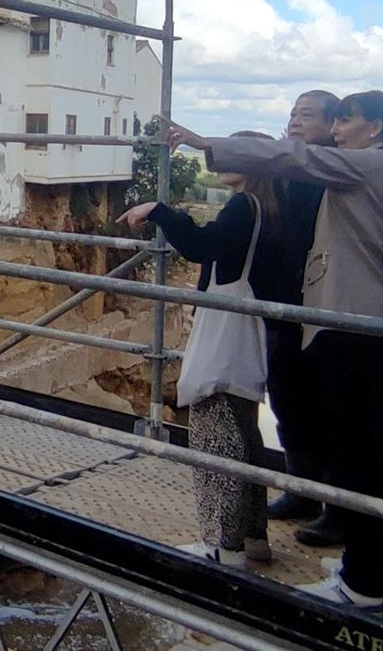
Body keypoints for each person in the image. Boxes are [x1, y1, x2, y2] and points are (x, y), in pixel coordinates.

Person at [165, 91, 383, 612]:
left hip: (352, 323)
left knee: (359, 450)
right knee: (364, 448)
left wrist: (203, 143)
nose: (335, 134)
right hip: (362, 321)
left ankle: (362, 583)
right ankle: (375, 567)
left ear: (374, 127)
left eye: (342, 122)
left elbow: (295, 156)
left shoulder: (372, 163)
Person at [118, 132, 286, 568]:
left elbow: (201, 245)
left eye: (232, 153)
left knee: (218, 435)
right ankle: (252, 537)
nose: (221, 160)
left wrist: (158, 211)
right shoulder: (266, 207)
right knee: (244, 434)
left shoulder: (242, 206)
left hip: (225, 333)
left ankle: (221, 545)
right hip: (247, 329)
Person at [267, 91, 343, 544]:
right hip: (284, 302)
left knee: (327, 406)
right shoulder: (290, 168)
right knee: (288, 399)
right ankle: (301, 490)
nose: (295, 121)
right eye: (293, 113)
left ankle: (338, 506)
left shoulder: (333, 169)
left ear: (331, 124)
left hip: (322, 303)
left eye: (307, 115)